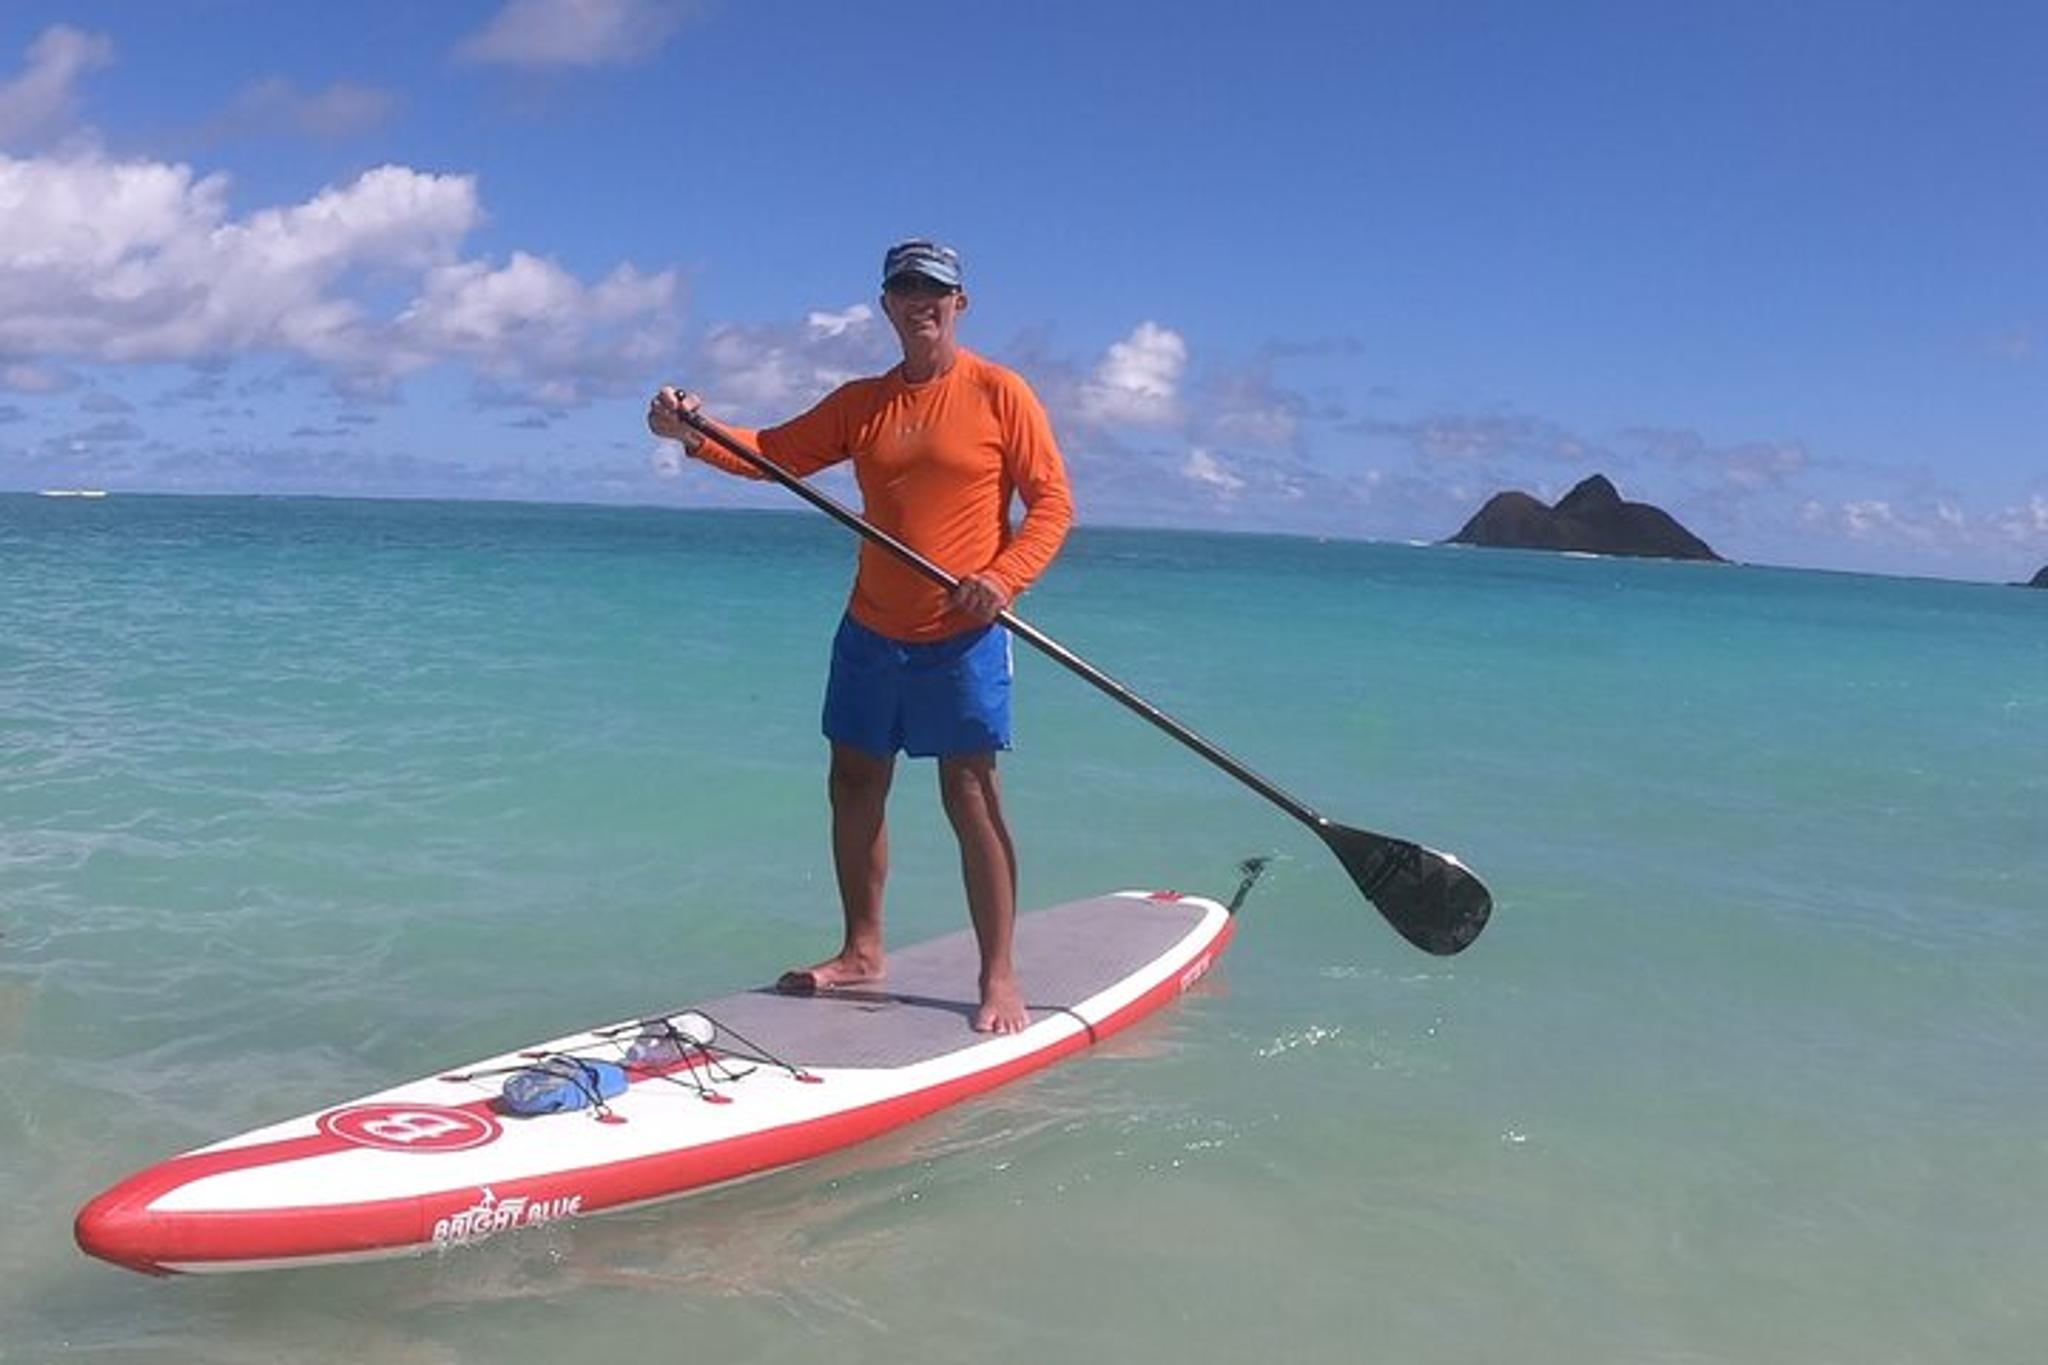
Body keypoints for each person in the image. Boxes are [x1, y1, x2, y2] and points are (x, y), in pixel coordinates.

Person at [647, 239, 1074, 1034]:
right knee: (852, 782)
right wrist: (693, 432)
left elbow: (1051, 504)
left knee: (970, 793)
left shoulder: (1000, 392)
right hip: (871, 630)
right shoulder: (861, 403)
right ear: (885, 305)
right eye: (905, 288)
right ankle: (862, 950)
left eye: (934, 289)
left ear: (960, 303)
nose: (920, 301)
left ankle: (999, 972)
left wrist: (1004, 577)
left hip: (963, 632)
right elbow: (773, 454)